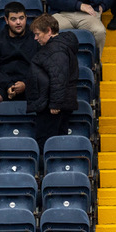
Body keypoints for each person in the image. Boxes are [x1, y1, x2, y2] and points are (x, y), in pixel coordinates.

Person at [0, 2, 39, 120]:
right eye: (13, 19)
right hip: (3, 82)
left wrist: (25, 84)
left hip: (29, 82)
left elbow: (40, 66)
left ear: (26, 18)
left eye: (21, 18)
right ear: (6, 20)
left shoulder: (35, 37)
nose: (18, 22)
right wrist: (8, 85)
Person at [25, 15, 78, 146]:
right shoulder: (59, 47)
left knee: (50, 142)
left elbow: (58, 78)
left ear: (49, 30)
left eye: (38, 34)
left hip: (53, 106)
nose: (35, 38)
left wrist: (55, 104)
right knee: (57, 141)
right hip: (55, 102)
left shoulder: (56, 50)